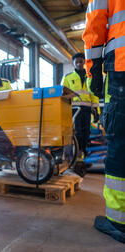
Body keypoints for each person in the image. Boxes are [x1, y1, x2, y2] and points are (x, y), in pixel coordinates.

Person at [83, 0, 125, 243]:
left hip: (121, 67)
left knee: (120, 141)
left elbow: (95, 21)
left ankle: (119, 221)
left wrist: (94, 69)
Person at [61, 53, 100, 168]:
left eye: (81, 61)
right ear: (73, 63)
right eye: (76, 61)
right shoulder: (67, 77)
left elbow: (93, 95)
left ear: (84, 62)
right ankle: (75, 158)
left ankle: (82, 156)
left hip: (87, 110)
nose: (79, 63)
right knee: (76, 133)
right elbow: (62, 94)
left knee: (86, 133)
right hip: (74, 110)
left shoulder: (89, 77)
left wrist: (96, 110)